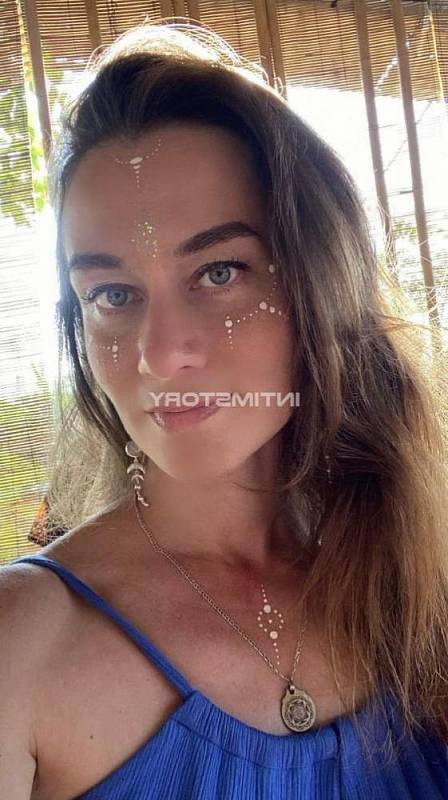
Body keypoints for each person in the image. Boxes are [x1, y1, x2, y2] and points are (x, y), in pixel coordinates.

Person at [2, 19, 448, 800]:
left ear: (322, 282)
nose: (159, 353)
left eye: (217, 273)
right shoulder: (25, 646)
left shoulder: (418, 574)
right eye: (112, 294)